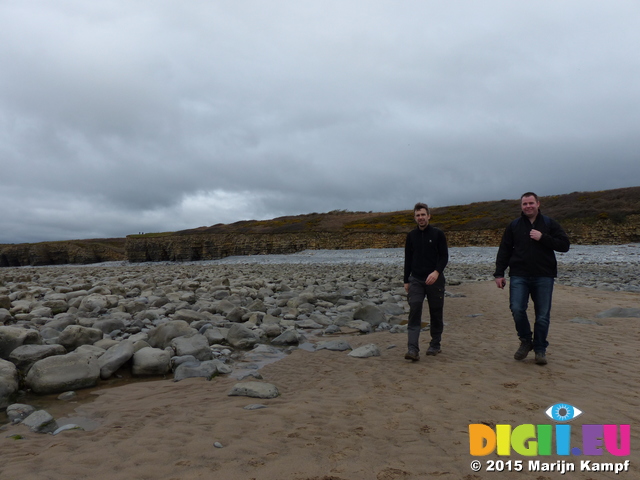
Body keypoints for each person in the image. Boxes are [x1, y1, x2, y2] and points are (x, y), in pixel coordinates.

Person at [494, 192, 570, 365]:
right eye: (524, 204)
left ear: (538, 204)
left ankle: (540, 349)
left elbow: (564, 245)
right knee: (517, 308)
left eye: (531, 203)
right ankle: (526, 340)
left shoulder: (549, 223)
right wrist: (499, 273)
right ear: (521, 206)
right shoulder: (514, 226)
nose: (528, 206)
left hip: (544, 275)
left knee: (542, 315)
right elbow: (504, 250)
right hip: (519, 274)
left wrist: (543, 238)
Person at [403, 202, 449, 361]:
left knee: (436, 312)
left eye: (423, 214)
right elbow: (408, 259)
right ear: (415, 218)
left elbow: (444, 257)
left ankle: (435, 344)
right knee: (414, 309)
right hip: (416, 279)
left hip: (435, 280)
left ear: (428, 216)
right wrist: (406, 280)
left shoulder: (438, 234)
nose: (420, 218)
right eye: (417, 215)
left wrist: (436, 272)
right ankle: (412, 349)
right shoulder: (411, 236)